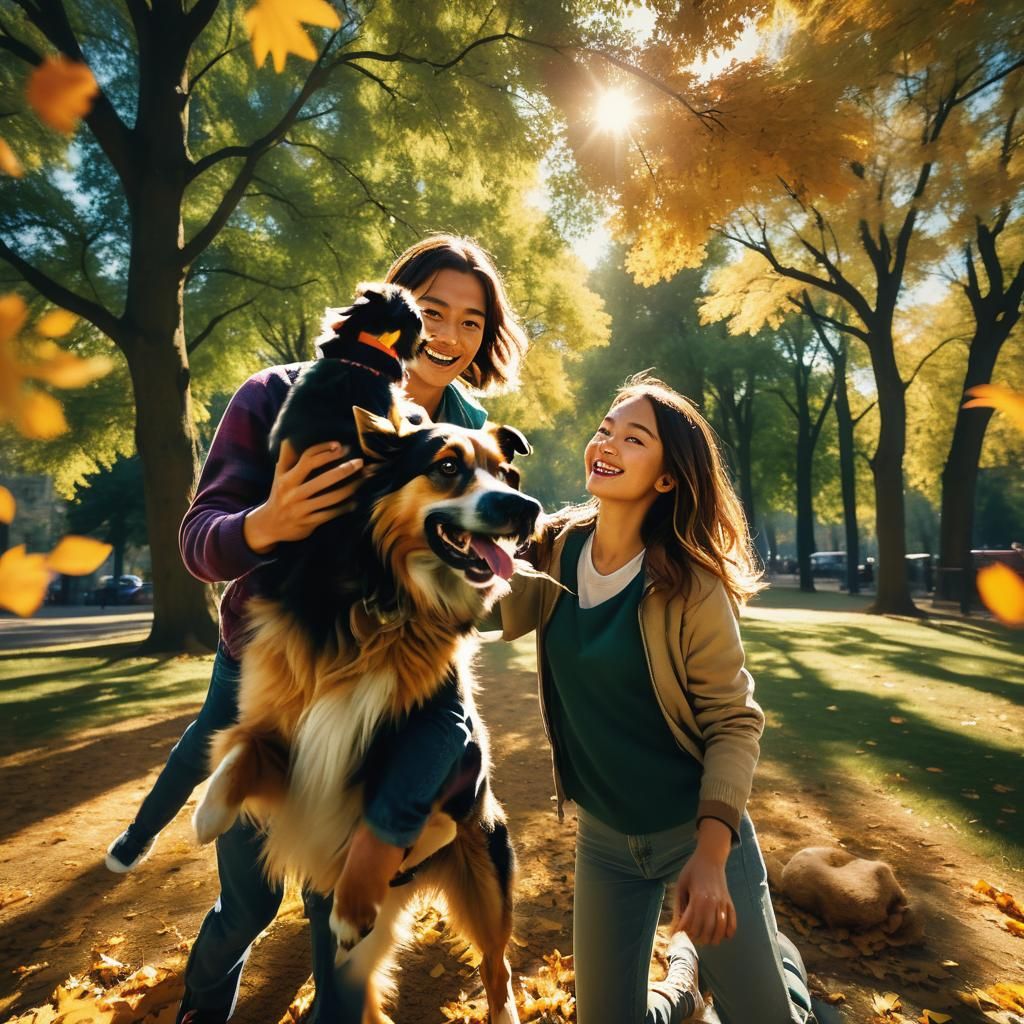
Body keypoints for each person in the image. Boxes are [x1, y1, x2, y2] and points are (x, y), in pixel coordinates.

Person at [104, 233, 528, 1024]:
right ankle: (203, 1006)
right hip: (278, 678)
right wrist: (266, 523)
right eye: (433, 310)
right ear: (397, 307)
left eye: (473, 321)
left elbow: (481, 561)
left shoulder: (474, 434)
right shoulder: (283, 396)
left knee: (341, 925)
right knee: (249, 904)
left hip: (398, 694)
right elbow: (199, 538)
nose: (450, 334)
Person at [488, 373, 819, 1024]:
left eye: (633, 438)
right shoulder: (553, 548)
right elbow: (474, 606)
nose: (605, 444)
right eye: (605, 429)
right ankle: (686, 986)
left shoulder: (691, 585)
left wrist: (712, 855)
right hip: (606, 839)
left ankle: (786, 976)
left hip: (694, 833)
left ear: (667, 478)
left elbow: (734, 723)